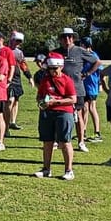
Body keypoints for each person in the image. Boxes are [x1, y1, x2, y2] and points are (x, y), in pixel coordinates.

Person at [33, 52, 77, 180]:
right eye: (50, 68)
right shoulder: (45, 80)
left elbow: (72, 99)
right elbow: (39, 95)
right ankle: (46, 169)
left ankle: (69, 170)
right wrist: (42, 103)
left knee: (65, 142)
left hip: (63, 113)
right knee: (47, 141)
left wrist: (56, 102)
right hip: (47, 112)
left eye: (55, 68)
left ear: (61, 67)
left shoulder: (67, 80)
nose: (52, 71)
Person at [80, 37, 103, 143]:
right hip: (84, 85)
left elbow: (101, 71)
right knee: (84, 108)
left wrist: (100, 84)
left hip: (91, 86)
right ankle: (83, 131)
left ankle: (97, 132)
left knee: (91, 108)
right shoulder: (84, 55)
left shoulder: (93, 56)